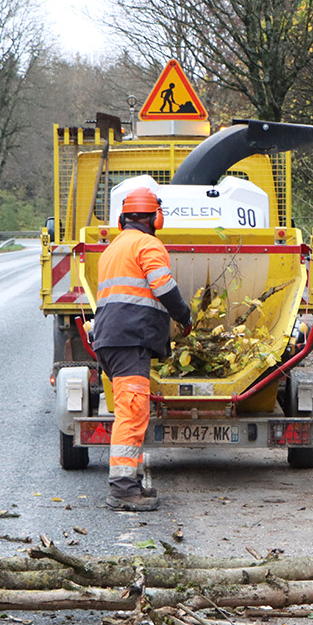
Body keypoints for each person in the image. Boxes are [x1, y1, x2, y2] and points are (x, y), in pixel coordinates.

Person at [90, 187, 193, 511]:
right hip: (129, 339)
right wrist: (184, 316)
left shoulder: (114, 248)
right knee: (132, 412)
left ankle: (129, 483)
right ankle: (122, 490)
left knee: (129, 409)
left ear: (123, 218)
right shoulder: (148, 244)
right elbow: (162, 285)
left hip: (110, 339)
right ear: (155, 218)